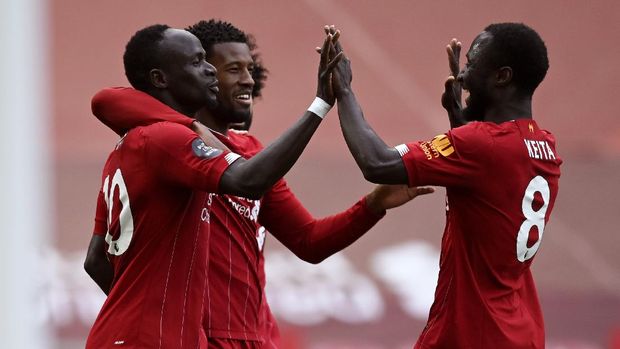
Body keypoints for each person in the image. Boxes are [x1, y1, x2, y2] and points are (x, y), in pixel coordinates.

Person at [87, 21, 433, 349]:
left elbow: (308, 241)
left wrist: (372, 205)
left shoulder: (247, 153)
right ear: (167, 77)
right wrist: (157, 313)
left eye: (251, 70)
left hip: (250, 336)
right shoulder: (170, 143)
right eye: (230, 69)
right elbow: (106, 99)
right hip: (193, 337)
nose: (247, 80)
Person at [328, 23, 562, 348]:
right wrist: (461, 125)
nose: (462, 77)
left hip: (468, 333)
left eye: (472, 64)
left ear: (502, 77)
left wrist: (344, 91)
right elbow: (491, 183)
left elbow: (377, 163)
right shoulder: (545, 146)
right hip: (519, 330)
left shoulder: (480, 145)